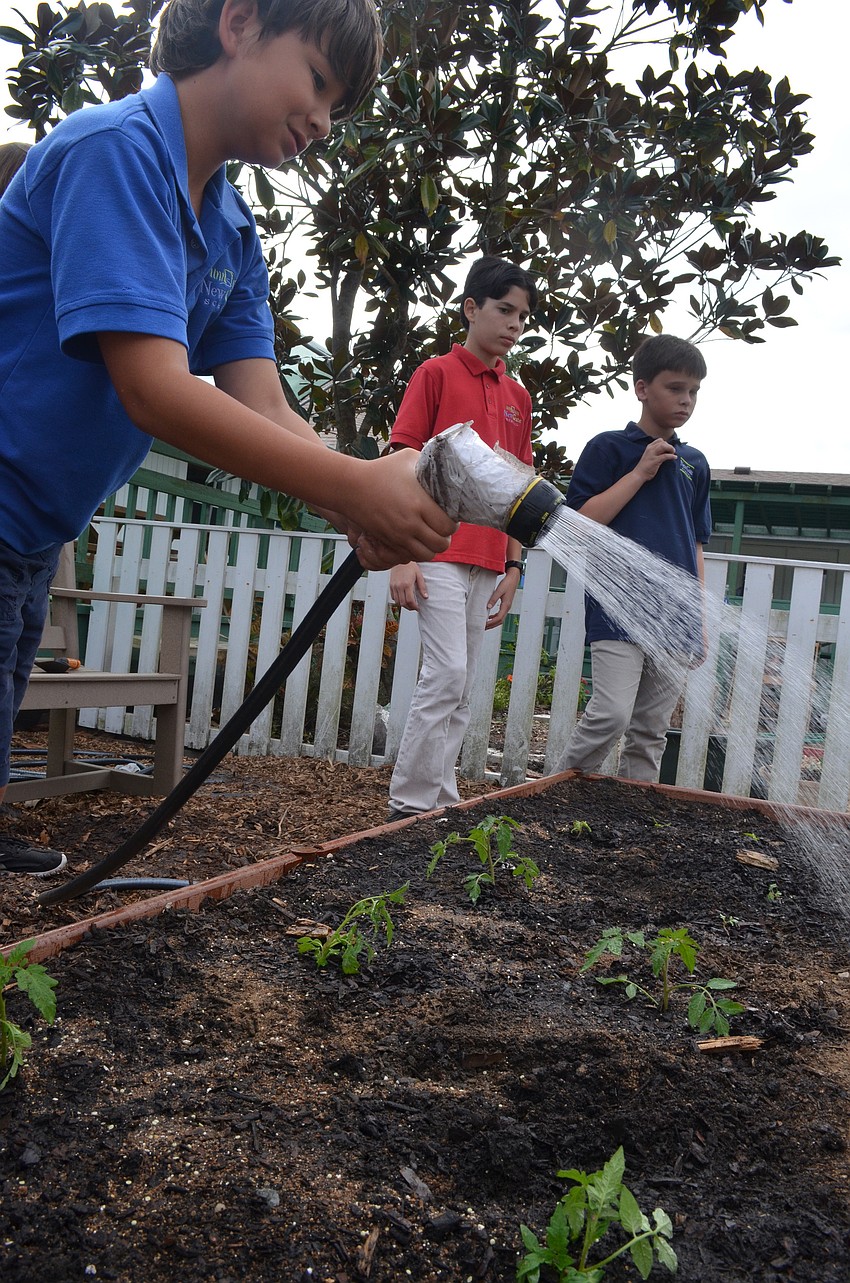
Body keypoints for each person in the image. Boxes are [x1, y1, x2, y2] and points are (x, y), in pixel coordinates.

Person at [0, 0, 455, 877]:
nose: (324, 121)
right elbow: (155, 392)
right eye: (319, 81)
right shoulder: (116, 152)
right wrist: (360, 489)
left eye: (339, 106)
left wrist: (348, 490)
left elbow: (266, 407)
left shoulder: (232, 230)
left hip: (31, 530)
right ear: (241, 24)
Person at [387, 256, 537, 819]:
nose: (514, 324)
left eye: (522, 316)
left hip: (488, 557)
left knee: (462, 684)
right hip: (436, 550)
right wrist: (403, 556)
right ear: (471, 308)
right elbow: (403, 460)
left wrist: (514, 569)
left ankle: (439, 800)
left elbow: (520, 491)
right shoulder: (436, 374)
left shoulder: (519, 398)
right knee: (445, 673)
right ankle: (409, 802)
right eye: (504, 310)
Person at [552, 333, 711, 783]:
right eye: (675, 388)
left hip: (674, 613)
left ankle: (634, 813)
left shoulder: (695, 462)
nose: (686, 400)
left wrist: (695, 618)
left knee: (651, 730)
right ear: (642, 388)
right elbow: (580, 522)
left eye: (694, 391)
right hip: (617, 605)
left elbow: (696, 544)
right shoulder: (608, 449)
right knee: (612, 713)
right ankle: (556, 792)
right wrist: (640, 472)